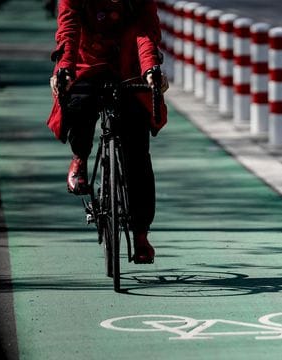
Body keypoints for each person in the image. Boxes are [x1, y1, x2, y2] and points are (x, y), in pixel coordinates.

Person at [47, 0, 168, 264]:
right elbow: (68, 27)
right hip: (86, 64)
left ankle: (140, 236)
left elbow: (146, 29)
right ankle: (80, 158)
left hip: (129, 68)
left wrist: (149, 69)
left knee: (137, 154)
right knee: (77, 106)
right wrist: (64, 68)